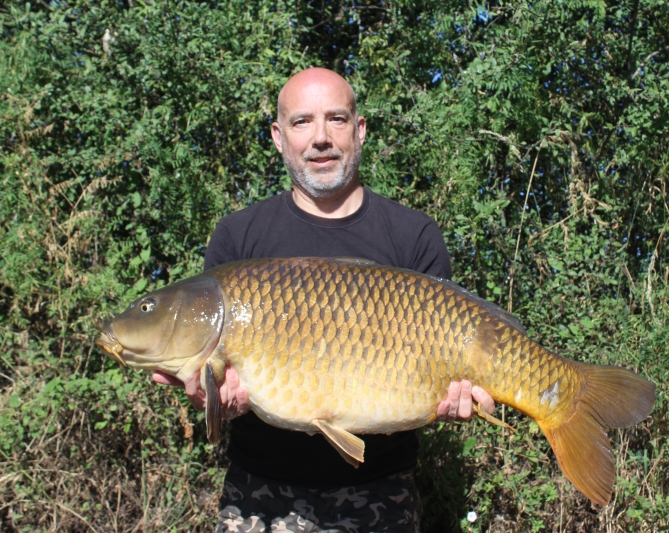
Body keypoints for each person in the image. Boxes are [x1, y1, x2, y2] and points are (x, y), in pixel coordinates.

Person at [153, 67, 495, 532]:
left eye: (336, 119)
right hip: (260, 495)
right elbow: (210, 390)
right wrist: (209, 397)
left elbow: (443, 384)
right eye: (301, 122)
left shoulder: (413, 236)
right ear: (278, 137)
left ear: (359, 131)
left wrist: (456, 402)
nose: (320, 138)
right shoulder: (238, 237)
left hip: (381, 495)